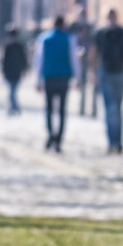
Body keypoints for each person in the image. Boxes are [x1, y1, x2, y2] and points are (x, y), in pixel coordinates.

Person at [91, 7, 123, 153]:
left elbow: (93, 55)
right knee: (116, 108)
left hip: (111, 72)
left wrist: (93, 74)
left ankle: (114, 142)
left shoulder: (101, 33)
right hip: (115, 72)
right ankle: (116, 142)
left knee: (111, 108)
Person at [36, 15, 80, 152]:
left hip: (49, 77)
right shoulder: (70, 39)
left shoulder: (44, 38)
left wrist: (37, 79)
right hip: (64, 77)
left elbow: (39, 60)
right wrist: (77, 77)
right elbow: (74, 59)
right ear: (64, 25)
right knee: (61, 110)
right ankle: (59, 139)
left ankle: (50, 134)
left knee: (49, 109)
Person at [1, 24, 29, 116]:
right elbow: (4, 61)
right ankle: (14, 107)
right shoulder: (8, 46)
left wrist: (24, 69)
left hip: (15, 72)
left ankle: (14, 107)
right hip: (11, 72)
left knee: (12, 90)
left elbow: (23, 59)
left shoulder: (17, 46)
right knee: (12, 90)